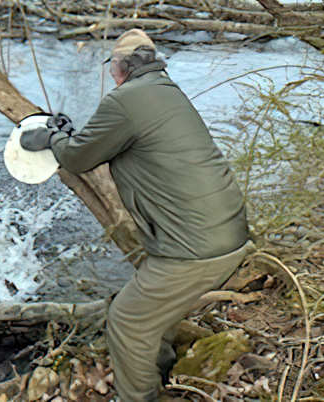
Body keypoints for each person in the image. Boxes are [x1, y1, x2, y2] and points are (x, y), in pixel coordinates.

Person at [20, 29, 252, 402]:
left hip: (194, 249)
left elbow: (79, 158)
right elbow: (109, 141)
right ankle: (159, 372)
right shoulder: (165, 90)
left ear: (122, 67)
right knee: (152, 313)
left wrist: (53, 137)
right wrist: (69, 135)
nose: (112, 75)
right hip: (225, 233)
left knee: (127, 323)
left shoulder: (126, 99)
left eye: (112, 67)